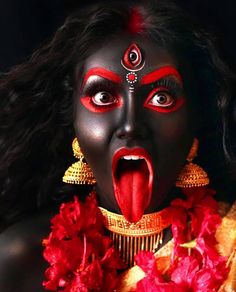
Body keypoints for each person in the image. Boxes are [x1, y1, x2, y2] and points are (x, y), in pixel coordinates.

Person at [0, 0, 235, 291]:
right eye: (102, 97)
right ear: (72, 115)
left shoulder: (232, 250)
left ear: (195, 118)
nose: (130, 126)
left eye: (161, 98)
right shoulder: (22, 258)